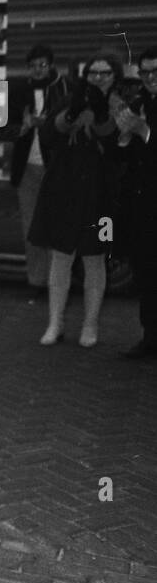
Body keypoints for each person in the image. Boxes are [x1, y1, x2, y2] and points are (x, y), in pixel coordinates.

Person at [28, 49, 124, 347]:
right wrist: (71, 114)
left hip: (101, 192)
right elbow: (49, 133)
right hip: (66, 189)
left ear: (114, 75)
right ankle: (55, 322)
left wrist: (99, 115)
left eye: (104, 73)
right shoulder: (72, 97)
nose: (98, 78)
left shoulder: (121, 101)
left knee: (94, 259)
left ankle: (90, 325)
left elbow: (115, 140)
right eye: (93, 73)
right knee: (61, 257)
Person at [5, 45, 72, 299]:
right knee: (30, 228)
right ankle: (36, 281)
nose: (38, 70)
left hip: (56, 167)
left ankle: (58, 282)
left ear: (51, 65)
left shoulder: (64, 89)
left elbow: (72, 125)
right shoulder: (18, 90)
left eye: (42, 65)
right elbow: (4, 129)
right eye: (33, 65)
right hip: (27, 168)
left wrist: (50, 125)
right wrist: (23, 128)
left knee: (57, 226)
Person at [114, 47, 157, 359]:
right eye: (145, 73)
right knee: (144, 268)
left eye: (156, 72)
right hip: (143, 201)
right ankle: (150, 336)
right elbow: (128, 155)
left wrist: (143, 131)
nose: (150, 79)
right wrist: (127, 136)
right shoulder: (142, 101)